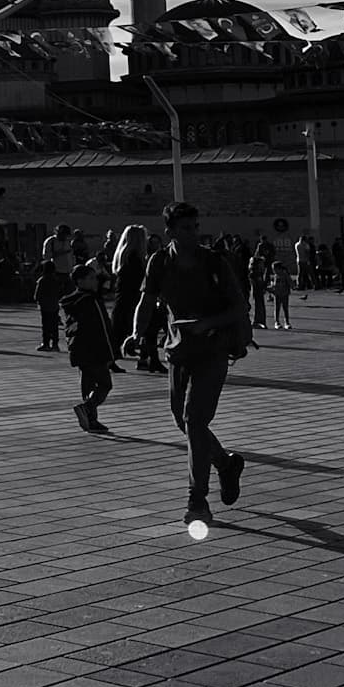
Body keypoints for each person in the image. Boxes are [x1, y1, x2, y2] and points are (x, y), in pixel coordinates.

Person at [129, 200, 248, 532]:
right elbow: (146, 300)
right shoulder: (159, 262)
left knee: (194, 420)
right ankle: (225, 464)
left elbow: (239, 307)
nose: (194, 233)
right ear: (169, 232)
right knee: (185, 423)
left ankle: (197, 499)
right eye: (186, 229)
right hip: (178, 352)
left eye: (196, 227)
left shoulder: (213, 261)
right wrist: (137, 333)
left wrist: (205, 323)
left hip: (213, 349)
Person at [62, 261, 118, 432]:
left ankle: (91, 420)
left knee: (88, 384)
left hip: (79, 349)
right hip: (95, 350)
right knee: (104, 384)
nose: (95, 281)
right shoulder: (90, 301)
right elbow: (102, 328)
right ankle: (88, 409)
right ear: (80, 281)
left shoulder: (73, 302)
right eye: (91, 278)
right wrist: (111, 352)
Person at [32, 258, 65, 352]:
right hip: (54, 305)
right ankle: (55, 344)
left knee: (46, 326)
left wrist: (38, 300)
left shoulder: (42, 280)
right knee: (54, 326)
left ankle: (46, 343)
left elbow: (37, 295)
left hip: (45, 306)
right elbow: (60, 292)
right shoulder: (56, 280)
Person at [248, 240, 271, 331]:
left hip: (258, 283)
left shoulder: (256, 261)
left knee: (258, 302)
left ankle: (259, 321)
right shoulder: (257, 260)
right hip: (257, 282)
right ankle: (259, 320)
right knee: (258, 302)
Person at [270, 255, 293, 329]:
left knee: (285, 308)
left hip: (284, 293)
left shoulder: (285, 275)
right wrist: (271, 289)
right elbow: (273, 285)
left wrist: (292, 286)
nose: (274, 271)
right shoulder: (275, 276)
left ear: (279, 268)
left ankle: (287, 322)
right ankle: (277, 322)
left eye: (275, 269)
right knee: (277, 308)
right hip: (277, 294)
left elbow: (290, 282)